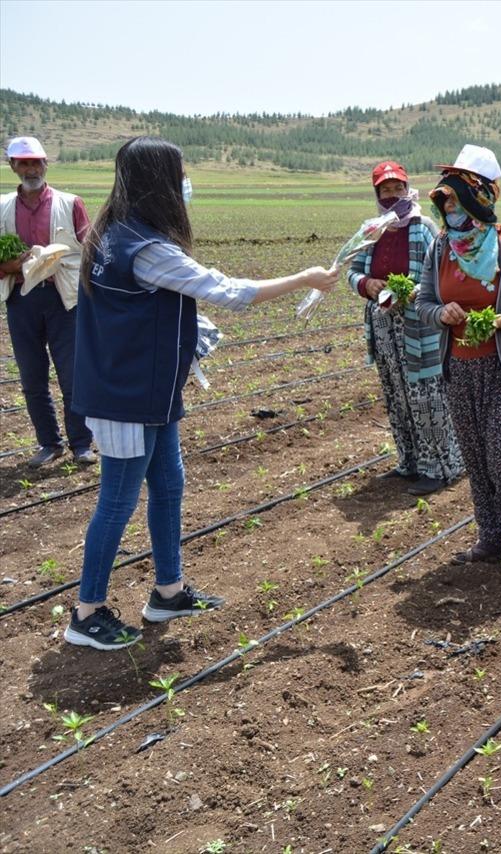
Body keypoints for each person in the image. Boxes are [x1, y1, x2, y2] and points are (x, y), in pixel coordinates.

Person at [64, 137, 338, 651]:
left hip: (147, 389)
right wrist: (304, 277)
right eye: (179, 173)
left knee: (169, 483)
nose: (184, 182)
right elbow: (228, 291)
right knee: (117, 501)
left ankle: (168, 590)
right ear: (159, 182)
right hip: (125, 396)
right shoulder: (145, 249)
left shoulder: (113, 233)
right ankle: (86, 611)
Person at [415, 144, 501, 579]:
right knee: (477, 457)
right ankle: (490, 540)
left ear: (478, 197)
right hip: (461, 370)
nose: (447, 207)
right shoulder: (441, 248)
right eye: (443, 201)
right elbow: (423, 301)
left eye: (453, 198)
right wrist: (441, 313)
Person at [348, 161, 463, 494]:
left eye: (398, 188)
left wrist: (413, 290)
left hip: (419, 325)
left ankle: (442, 467)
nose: (392, 194)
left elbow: (439, 269)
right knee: (396, 393)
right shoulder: (371, 230)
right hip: (383, 325)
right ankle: (409, 462)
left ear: (406, 188)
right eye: (385, 189)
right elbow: (352, 271)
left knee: (427, 394)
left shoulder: (423, 225)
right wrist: (366, 284)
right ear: (377, 193)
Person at [0, 136, 94, 466]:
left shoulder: (71, 203)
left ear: (45, 164)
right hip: (21, 299)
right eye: (23, 163)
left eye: (35, 162)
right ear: (12, 166)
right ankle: (49, 443)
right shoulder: (2, 208)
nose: (30, 168)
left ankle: (81, 444)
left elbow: (93, 250)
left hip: (64, 298)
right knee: (32, 377)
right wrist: (8, 267)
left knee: (72, 374)